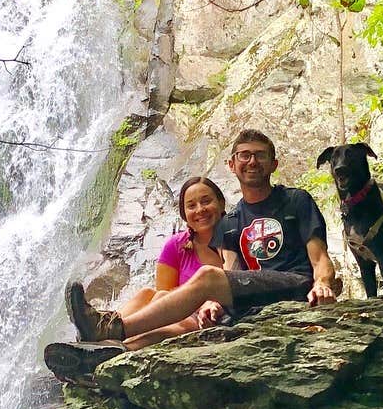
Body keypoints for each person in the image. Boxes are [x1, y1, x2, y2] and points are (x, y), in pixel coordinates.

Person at [64, 128, 337, 343]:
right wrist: (214, 301)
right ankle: (108, 349)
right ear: (231, 164)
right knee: (197, 284)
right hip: (254, 300)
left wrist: (322, 283)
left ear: (274, 163)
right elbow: (231, 271)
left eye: (260, 155)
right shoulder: (230, 222)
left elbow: (320, 257)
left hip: (296, 285)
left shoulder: (295, 201)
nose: (252, 161)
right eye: (244, 155)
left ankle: (111, 329)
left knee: (207, 275)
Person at [119, 176, 229, 350]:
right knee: (148, 293)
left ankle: (120, 346)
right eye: (191, 205)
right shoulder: (176, 246)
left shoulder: (235, 241)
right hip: (175, 314)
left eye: (206, 201)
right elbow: (163, 295)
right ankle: (105, 331)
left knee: (173, 310)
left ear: (221, 204)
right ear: (184, 214)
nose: (200, 210)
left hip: (205, 319)